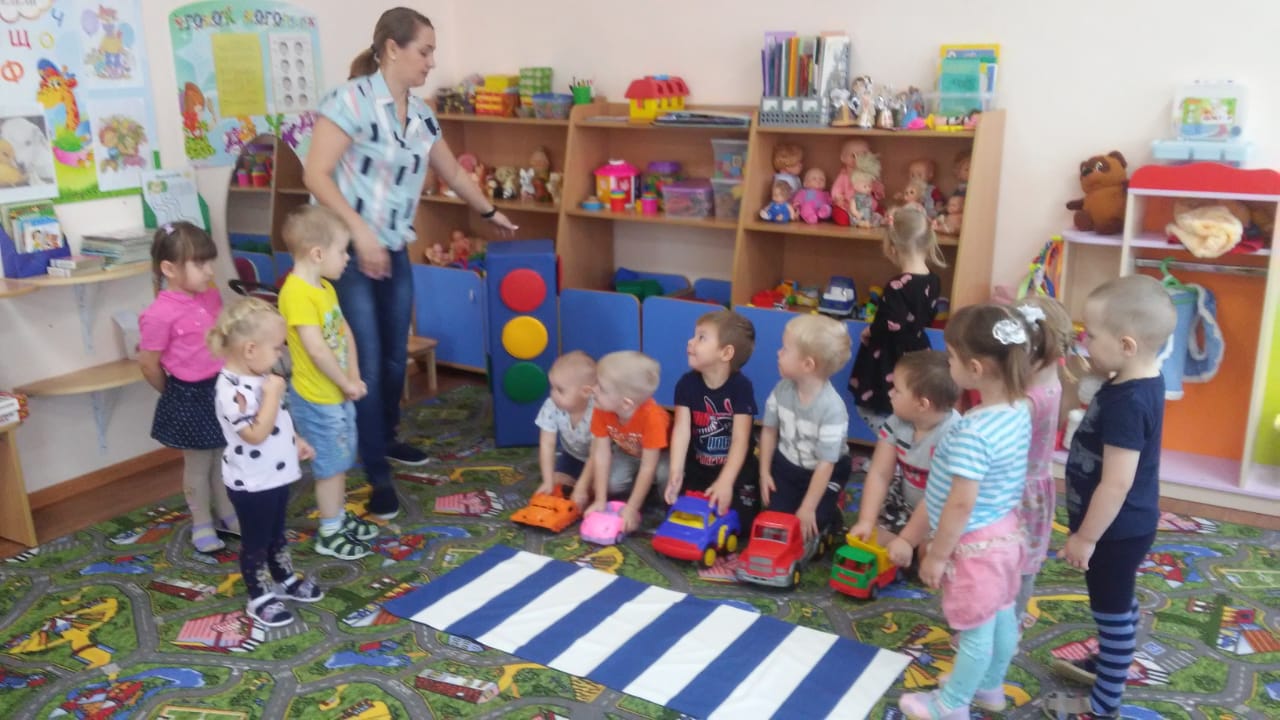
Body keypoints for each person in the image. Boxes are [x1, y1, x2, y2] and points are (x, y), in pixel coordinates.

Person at [304, 7, 516, 520]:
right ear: (392, 49)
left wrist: (490, 212)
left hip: (393, 248)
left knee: (395, 358)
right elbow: (316, 174)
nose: (431, 62)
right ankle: (377, 473)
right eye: (425, 51)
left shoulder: (419, 114)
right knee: (368, 359)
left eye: (433, 52)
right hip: (347, 252)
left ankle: (385, 436)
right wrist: (360, 234)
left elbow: (453, 173)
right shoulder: (350, 101)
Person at [891, 304, 1032, 720]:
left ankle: (950, 705)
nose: (947, 364)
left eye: (951, 357)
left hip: (975, 546)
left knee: (974, 631)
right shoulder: (1019, 408)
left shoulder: (973, 431)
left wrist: (937, 554)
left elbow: (961, 502)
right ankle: (989, 687)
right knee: (1001, 614)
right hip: (1005, 534)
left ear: (974, 368)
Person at [1044, 275, 1176, 720]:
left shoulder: (1128, 402)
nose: (1084, 343)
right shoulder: (1137, 379)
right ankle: (1110, 661)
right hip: (1125, 525)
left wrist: (1085, 538)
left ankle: (1104, 704)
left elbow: (1116, 483)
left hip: (1114, 531)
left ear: (1126, 345)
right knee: (1118, 600)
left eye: (1091, 335)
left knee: (1111, 611)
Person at [208, 298, 323, 628]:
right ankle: (258, 596)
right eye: (276, 348)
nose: (280, 354)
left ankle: (284, 579)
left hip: (275, 475)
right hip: (252, 482)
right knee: (256, 541)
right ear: (250, 349)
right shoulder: (231, 390)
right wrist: (272, 394)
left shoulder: (262, 376)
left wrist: (295, 440)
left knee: (276, 533)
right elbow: (254, 434)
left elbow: (277, 421)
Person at [276, 205, 380, 560]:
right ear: (317, 254)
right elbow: (317, 350)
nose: (347, 258)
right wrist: (344, 383)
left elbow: (344, 332)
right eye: (342, 251)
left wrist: (353, 376)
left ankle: (337, 515)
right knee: (330, 466)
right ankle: (329, 532)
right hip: (316, 398)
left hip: (337, 393)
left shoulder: (323, 288)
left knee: (341, 459)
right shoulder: (295, 294)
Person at [137, 222, 238, 553]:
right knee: (198, 464)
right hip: (189, 396)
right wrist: (172, 394)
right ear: (169, 269)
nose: (210, 271)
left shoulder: (211, 296)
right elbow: (149, 364)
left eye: (210, 262)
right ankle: (202, 523)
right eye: (200, 263)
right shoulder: (158, 314)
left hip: (220, 388)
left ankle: (227, 513)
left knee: (223, 456)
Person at [848, 350, 960, 553]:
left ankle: (914, 547)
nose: (890, 393)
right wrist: (866, 521)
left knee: (930, 551)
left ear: (922, 404)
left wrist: (911, 540)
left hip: (941, 509)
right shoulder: (896, 422)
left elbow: (942, 497)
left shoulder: (955, 435)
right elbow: (880, 474)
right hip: (904, 503)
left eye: (897, 391)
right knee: (869, 537)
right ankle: (906, 546)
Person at [848, 206, 946, 434]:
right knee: (910, 403)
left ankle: (892, 441)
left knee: (874, 407)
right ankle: (902, 443)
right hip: (919, 352)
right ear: (927, 242)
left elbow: (891, 324)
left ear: (892, 248)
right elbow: (929, 316)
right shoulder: (933, 280)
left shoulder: (896, 286)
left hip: (891, 357)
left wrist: (871, 331)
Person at [759, 314, 853, 541]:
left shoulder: (832, 409)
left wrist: (809, 507)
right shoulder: (781, 389)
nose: (778, 353)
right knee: (775, 520)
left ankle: (832, 507)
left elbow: (826, 464)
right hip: (788, 465)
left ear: (808, 365)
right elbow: (769, 431)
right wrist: (764, 472)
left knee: (812, 524)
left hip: (825, 470)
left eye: (785, 349)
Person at [1010, 295, 1074, 626]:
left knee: (1010, 561)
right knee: (1027, 559)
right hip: (1037, 486)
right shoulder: (1052, 380)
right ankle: (1015, 616)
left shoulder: (1025, 401)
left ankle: (1006, 625)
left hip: (1014, 492)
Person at [666, 310, 760, 528]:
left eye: (701, 337)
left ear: (726, 353)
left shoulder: (741, 387)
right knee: (679, 513)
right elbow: (681, 430)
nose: (690, 342)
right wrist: (675, 470)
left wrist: (726, 481)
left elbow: (740, 440)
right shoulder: (686, 384)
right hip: (698, 467)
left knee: (742, 521)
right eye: (694, 336)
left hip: (735, 468)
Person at [580, 351, 670, 533]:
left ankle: (662, 505)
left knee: (664, 474)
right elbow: (601, 454)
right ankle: (640, 490)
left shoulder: (653, 418)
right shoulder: (601, 407)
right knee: (611, 483)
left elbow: (648, 466)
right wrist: (600, 499)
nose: (594, 389)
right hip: (627, 452)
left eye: (602, 388)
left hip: (660, 456)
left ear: (626, 403)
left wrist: (632, 508)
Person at [534, 351, 597, 498]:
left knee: (599, 488)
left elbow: (596, 454)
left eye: (560, 390)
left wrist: (583, 485)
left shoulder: (597, 411)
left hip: (601, 459)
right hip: (572, 456)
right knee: (557, 481)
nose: (553, 394)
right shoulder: (551, 405)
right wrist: (548, 481)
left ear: (585, 392)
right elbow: (547, 444)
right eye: (552, 387)